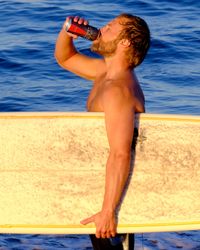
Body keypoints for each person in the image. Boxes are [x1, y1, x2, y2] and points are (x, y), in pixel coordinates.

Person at [55, 13, 150, 250]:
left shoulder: (118, 89)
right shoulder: (104, 73)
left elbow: (121, 153)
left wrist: (108, 210)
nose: (102, 29)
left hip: (116, 193)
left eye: (110, 27)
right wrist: (67, 34)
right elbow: (65, 58)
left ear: (125, 42)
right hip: (100, 182)